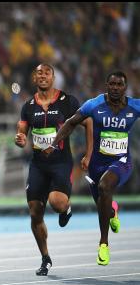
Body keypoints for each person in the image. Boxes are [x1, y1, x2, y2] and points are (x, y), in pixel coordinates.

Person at [44, 71, 140, 266]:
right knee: (102, 203)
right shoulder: (94, 105)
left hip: (122, 162)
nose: (115, 88)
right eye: (111, 84)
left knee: (105, 186)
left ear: (125, 87)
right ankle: (112, 211)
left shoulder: (134, 106)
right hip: (97, 163)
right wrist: (54, 144)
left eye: (119, 84)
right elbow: (71, 123)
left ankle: (103, 244)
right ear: (106, 85)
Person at [15, 63, 93, 276]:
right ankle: (45, 258)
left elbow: (88, 124)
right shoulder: (28, 106)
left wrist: (88, 154)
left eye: (47, 73)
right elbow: (22, 133)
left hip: (61, 162)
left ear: (53, 77)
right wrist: (20, 139)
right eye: (39, 73)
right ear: (34, 78)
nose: (43, 76)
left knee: (56, 203)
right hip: (38, 164)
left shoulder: (67, 101)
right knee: (34, 212)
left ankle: (66, 208)